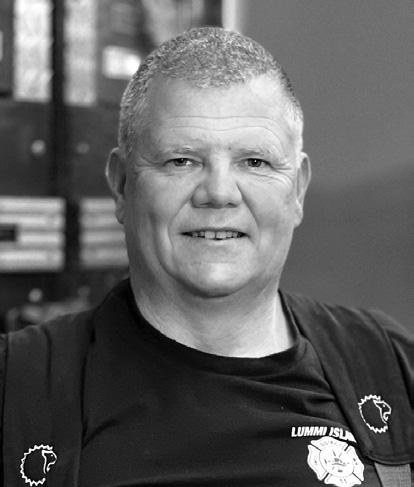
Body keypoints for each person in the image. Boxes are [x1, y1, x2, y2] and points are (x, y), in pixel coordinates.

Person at [1, 27, 413, 487]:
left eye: (254, 162)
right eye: (181, 160)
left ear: (297, 189)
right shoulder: (15, 390)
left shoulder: (391, 368)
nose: (218, 192)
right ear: (121, 185)